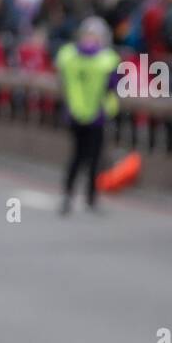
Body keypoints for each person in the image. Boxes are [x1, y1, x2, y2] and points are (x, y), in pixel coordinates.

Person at [55, 16, 121, 215]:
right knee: (92, 158)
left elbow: (63, 79)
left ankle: (68, 195)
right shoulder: (107, 59)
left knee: (77, 155)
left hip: (74, 112)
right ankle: (90, 198)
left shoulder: (69, 56)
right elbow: (114, 85)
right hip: (97, 114)